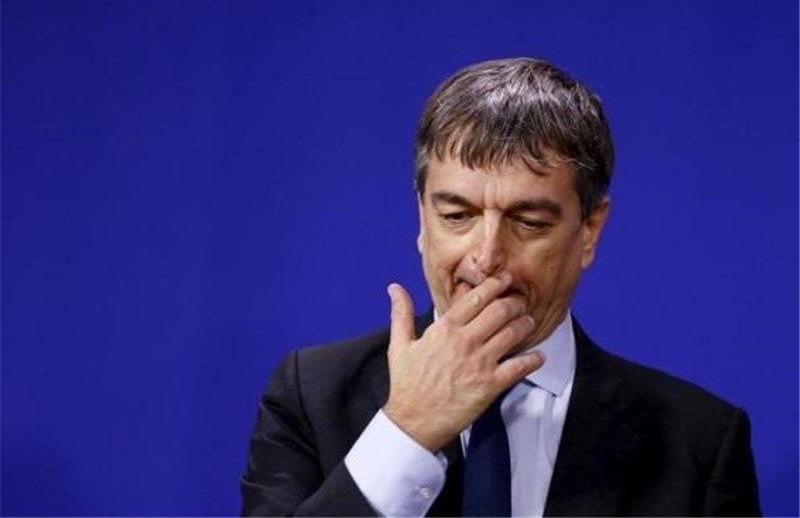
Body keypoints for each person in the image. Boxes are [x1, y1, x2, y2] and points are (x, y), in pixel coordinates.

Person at [240, 58, 761, 517]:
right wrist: (408, 430)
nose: (486, 256)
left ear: (590, 230)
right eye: (457, 215)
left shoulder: (698, 442)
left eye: (529, 223)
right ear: (422, 219)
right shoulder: (312, 395)